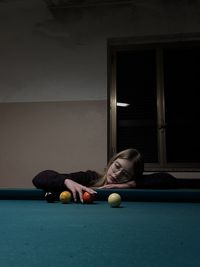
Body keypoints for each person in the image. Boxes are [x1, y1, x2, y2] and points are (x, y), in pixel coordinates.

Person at [32, 148, 179, 202]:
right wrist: (66, 181)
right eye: (117, 166)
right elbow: (40, 177)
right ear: (111, 162)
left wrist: (129, 184)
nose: (118, 174)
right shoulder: (90, 177)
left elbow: (168, 179)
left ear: (133, 177)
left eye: (126, 174)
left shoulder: (134, 186)